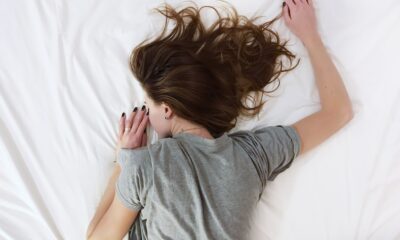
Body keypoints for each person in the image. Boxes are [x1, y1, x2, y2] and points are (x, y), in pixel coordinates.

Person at [86, 0, 353, 239]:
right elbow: (338, 112)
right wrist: (310, 36)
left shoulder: (144, 166)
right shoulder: (254, 155)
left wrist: (124, 160)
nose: (147, 114)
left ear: (167, 110)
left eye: (148, 106)